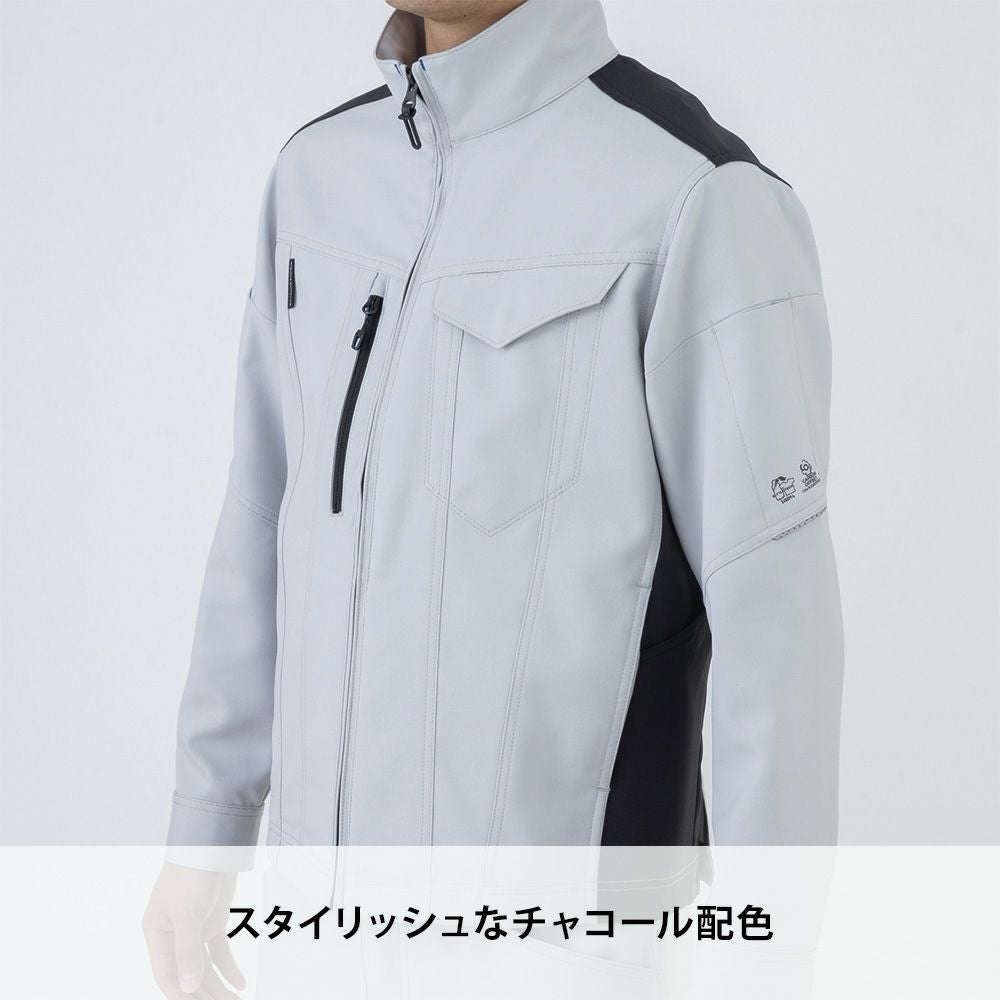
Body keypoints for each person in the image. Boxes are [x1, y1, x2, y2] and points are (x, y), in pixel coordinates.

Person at [144, 1, 844, 993]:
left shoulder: (695, 196)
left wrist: (769, 964)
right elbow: (264, 512)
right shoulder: (315, 181)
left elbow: (778, 638)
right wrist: (205, 830)